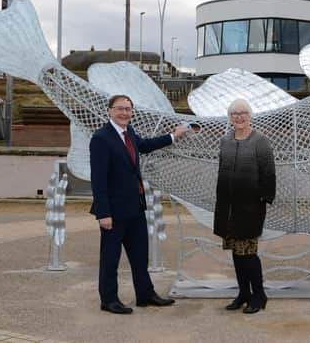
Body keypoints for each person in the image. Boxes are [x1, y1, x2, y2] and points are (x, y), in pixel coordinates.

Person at [89, 94, 189, 314]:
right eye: (120, 109)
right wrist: (103, 213)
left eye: (128, 109)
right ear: (109, 111)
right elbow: (98, 179)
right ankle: (109, 300)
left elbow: (145, 145)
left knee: (139, 255)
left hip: (135, 207)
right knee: (110, 259)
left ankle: (145, 294)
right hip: (113, 212)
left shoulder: (129, 133)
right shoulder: (101, 138)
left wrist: (173, 136)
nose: (124, 113)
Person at [213, 98, 276, 314]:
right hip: (227, 207)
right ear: (230, 117)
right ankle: (243, 293)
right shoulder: (225, 140)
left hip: (250, 207)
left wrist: (262, 200)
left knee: (248, 253)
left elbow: (269, 173)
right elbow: (222, 169)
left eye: (243, 113)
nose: (239, 117)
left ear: (250, 115)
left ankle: (259, 295)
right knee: (236, 252)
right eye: (234, 113)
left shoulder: (261, 141)